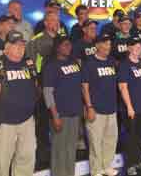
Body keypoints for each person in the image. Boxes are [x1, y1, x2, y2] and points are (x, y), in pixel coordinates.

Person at [0, 30, 37, 176]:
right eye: (16, 45)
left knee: (26, 159)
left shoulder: (29, 63)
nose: (20, 49)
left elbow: (35, 84)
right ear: (7, 47)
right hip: (3, 123)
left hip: (26, 121)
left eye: (22, 45)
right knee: (0, 162)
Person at [43, 36, 83, 176]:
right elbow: (48, 92)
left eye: (69, 45)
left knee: (71, 148)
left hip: (74, 112)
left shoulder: (74, 63)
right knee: (59, 150)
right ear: (57, 47)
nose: (69, 47)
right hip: (60, 114)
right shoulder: (51, 66)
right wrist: (55, 116)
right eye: (65, 45)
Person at [26, 11, 61, 163]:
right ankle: (42, 153)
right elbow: (30, 63)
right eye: (52, 20)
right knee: (42, 119)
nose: (55, 23)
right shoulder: (36, 40)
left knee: (59, 116)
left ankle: (58, 149)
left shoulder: (62, 39)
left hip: (61, 84)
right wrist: (36, 83)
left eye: (57, 21)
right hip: (43, 83)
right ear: (46, 23)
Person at [82, 34, 119, 176]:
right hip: (96, 109)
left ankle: (107, 166)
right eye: (104, 44)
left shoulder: (111, 62)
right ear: (97, 46)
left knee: (110, 140)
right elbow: (84, 86)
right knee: (95, 142)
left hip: (111, 108)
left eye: (109, 44)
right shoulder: (89, 62)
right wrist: (89, 107)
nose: (107, 47)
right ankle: (96, 170)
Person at [118, 37, 141, 175]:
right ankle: (130, 164)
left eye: (140, 47)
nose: (138, 49)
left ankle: (140, 161)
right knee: (131, 137)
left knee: (139, 136)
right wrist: (130, 107)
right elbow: (123, 87)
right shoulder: (124, 65)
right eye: (135, 47)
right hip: (130, 108)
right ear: (129, 48)